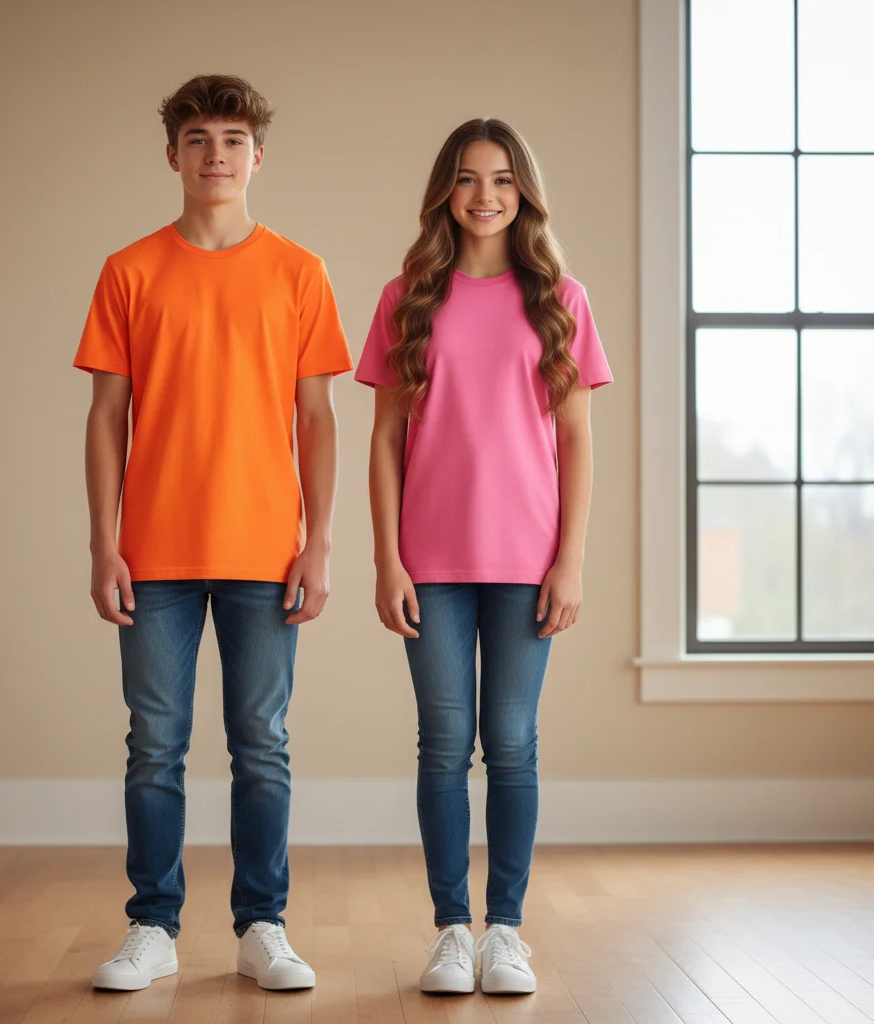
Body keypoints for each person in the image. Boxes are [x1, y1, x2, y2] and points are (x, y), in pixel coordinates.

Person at [72, 74, 353, 992]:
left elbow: (318, 419)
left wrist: (318, 544)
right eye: (199, 139)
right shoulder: (130, 270)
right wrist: (101, 542)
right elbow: (106, 415)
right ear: (173, 155)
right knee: (154, 743)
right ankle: (151, 927)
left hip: (266, 549)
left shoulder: (299, 272)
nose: (216, 156)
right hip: (152, 550)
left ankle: (261, 925)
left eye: (233, 139)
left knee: (260, 743)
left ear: (257, 156)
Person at [355, 119, 612, 995]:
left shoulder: (561, 299)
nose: (485, 195)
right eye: (467, 179)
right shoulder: (406, 297)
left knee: (511, 744)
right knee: (442, 743)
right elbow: (386, 439)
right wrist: (387, 560)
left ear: (524, 191)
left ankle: (506, 929)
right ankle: (450, 932)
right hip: (429, 560)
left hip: (527, 560)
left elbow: (576, 440)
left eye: (502, 179)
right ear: (445, 192)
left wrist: (569, 560)